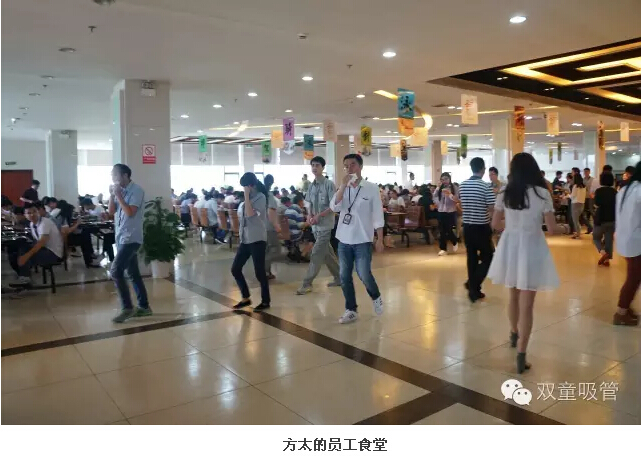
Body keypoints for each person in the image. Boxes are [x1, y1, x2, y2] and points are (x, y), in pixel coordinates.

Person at [487, 153, 561, 373]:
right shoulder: (542, 193)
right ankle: (521, 353)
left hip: (510, 246)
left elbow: (495, 224)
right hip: (532, 246)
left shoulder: (505, 192)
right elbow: (552, 228)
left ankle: (513, 332)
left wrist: (511, 227)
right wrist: (566, 228)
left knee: (513, 295)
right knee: (527, 304)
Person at [330, 154, 384, 324]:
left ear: (360, 167)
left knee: (364, 274)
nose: (349, 168)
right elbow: (334, 207)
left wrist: (380, 239)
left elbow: (378, 215)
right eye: (346, 165)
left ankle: (376, 296)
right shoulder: (343, 188)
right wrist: (342, 186)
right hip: (344, 239)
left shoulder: (371, 188)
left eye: (352, 165)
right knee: (344, 276)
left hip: (363, 239)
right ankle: (351, 309)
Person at [108, 164, 151, 323]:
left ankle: (127, 308)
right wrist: (112, 195)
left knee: (116, 271)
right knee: (133, 273)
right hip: (121, 237)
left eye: (115, 175)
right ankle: (144, 307)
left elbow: (130, 212)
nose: (113, 178)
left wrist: (118, 195)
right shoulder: (120, 191)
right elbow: (111, 212)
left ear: (125, 175)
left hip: (131, 238)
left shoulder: (136, 190)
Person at [296, 156, 340, 295]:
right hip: (315, 226)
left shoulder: (329, 184)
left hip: (325, 226)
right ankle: (340, 277)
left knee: (316, 254)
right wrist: (309, 215)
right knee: (327, 254)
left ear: (323, 168)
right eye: (313, 165)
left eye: (317, 165)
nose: (314, 168)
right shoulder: (311, 185)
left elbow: (333, 206)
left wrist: (319, 216)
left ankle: (307, 284)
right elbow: (308, 203)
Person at [231, 173, 271, 311]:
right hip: (246, 240)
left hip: (257, 239)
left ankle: (265, 301)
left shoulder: (261, 197)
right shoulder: (245, 200)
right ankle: (245, 297)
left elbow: (250, 214)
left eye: (245, 187)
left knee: (259, 272)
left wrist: (247, 196)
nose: (243, 189)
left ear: (251, 186)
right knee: (235, 269)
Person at [459, 157, 496, 302]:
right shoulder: (485, 187)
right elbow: (492, 208)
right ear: (483, 169)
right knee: (489, 257)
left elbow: (462, 204)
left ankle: (474, 291)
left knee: (472, 258)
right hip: (481, 227)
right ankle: (473, 284)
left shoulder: (462, 186)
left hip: (467, 227)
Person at [9, 204, 64, 288]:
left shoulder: (45, 222)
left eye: (34, 211)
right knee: (17, 252)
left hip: (53, 253)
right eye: (29, 213)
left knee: (25, 255)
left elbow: (41, 242)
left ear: (38, 212)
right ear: (25, 215)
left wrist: (26, 256)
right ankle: (24, 277)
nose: (32, 214)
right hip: (44, 249)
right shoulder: (32, 224)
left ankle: (25, 279)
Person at [613, 161, 641, 326]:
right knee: (633, 278)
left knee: (634, 276)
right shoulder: (639, 191)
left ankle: (625, 307)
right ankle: (621, 312)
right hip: (636, 240)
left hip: (625, 238)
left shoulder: (625, 189)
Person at [592, 172, 617, 267]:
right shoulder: (614, 191)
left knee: (596, 237)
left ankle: (603, 253)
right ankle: (606, 260)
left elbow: (596, 204)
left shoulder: (599, 191)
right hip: (612, 218)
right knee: (608, 240)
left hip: (600, 218)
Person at [433, 172, 459, 256]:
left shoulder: (454, 187)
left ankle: (454, 241)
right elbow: (434, 196)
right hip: (441, 211)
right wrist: (438, 203)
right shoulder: (440, 187)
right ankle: (443, 249)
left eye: (446, 179)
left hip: (451, 211)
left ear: (449, 179)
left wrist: (449, 194)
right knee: (442, 231)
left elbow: (457, 199)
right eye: (442, 179)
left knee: (449, 229)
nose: (444, 181)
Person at [263, 174, 282, 280]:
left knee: (266, 249)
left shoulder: (260, 194)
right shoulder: (269, 196)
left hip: (260, 227)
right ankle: (264, 270)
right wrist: (276, 225)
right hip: (269, 227)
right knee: (276, 249)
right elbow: (271, 212)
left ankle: (266, 271)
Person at [570, 174, 590, 238]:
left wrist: (567, 196)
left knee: (575, 220)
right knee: (577, 219)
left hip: (575, 204)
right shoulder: (584, 187)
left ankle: (578, 234)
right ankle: (578, 232)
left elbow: (573, 196)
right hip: (582, 204)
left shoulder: (575, 186)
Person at [582, 168, 594, 234]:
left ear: (589, 172)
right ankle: (589, 228)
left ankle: (594, 227)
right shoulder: (583, 180)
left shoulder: (592, 179)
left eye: (587, 171)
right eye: (585, 172)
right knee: (585, 213)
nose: (585, 173)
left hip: (590, 197)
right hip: (584, 198)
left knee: (591, 211)